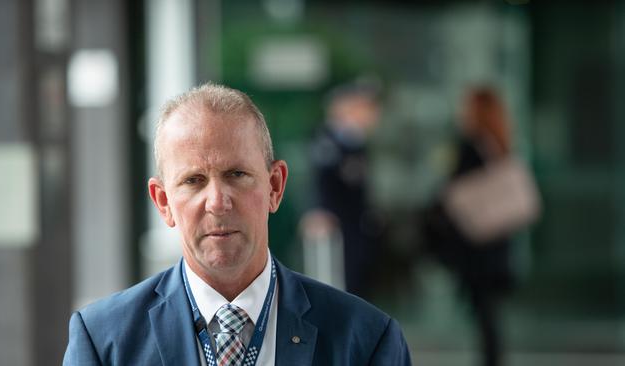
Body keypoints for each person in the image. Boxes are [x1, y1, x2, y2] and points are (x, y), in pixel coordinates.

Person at [63, 83, 411, 365]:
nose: (217, 202)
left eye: (237, 174)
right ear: (163, 202)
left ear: (275, 187)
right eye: (193, 180)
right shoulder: (103, 342)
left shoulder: (366, 341)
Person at [424, 86, 516, 366]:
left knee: (485, 313)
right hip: (494, 242)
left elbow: (451, 192)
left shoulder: (471, 146)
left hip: (477, 246)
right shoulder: (499, 145)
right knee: (488, 314)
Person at [301, 81, 382, 299]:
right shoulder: (328, 140)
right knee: (336, 288)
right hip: (336, 230)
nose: (373, 114)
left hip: (356, 227)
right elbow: (320, 182)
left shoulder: (356, 141)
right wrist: (319, 210)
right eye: (365, 107)